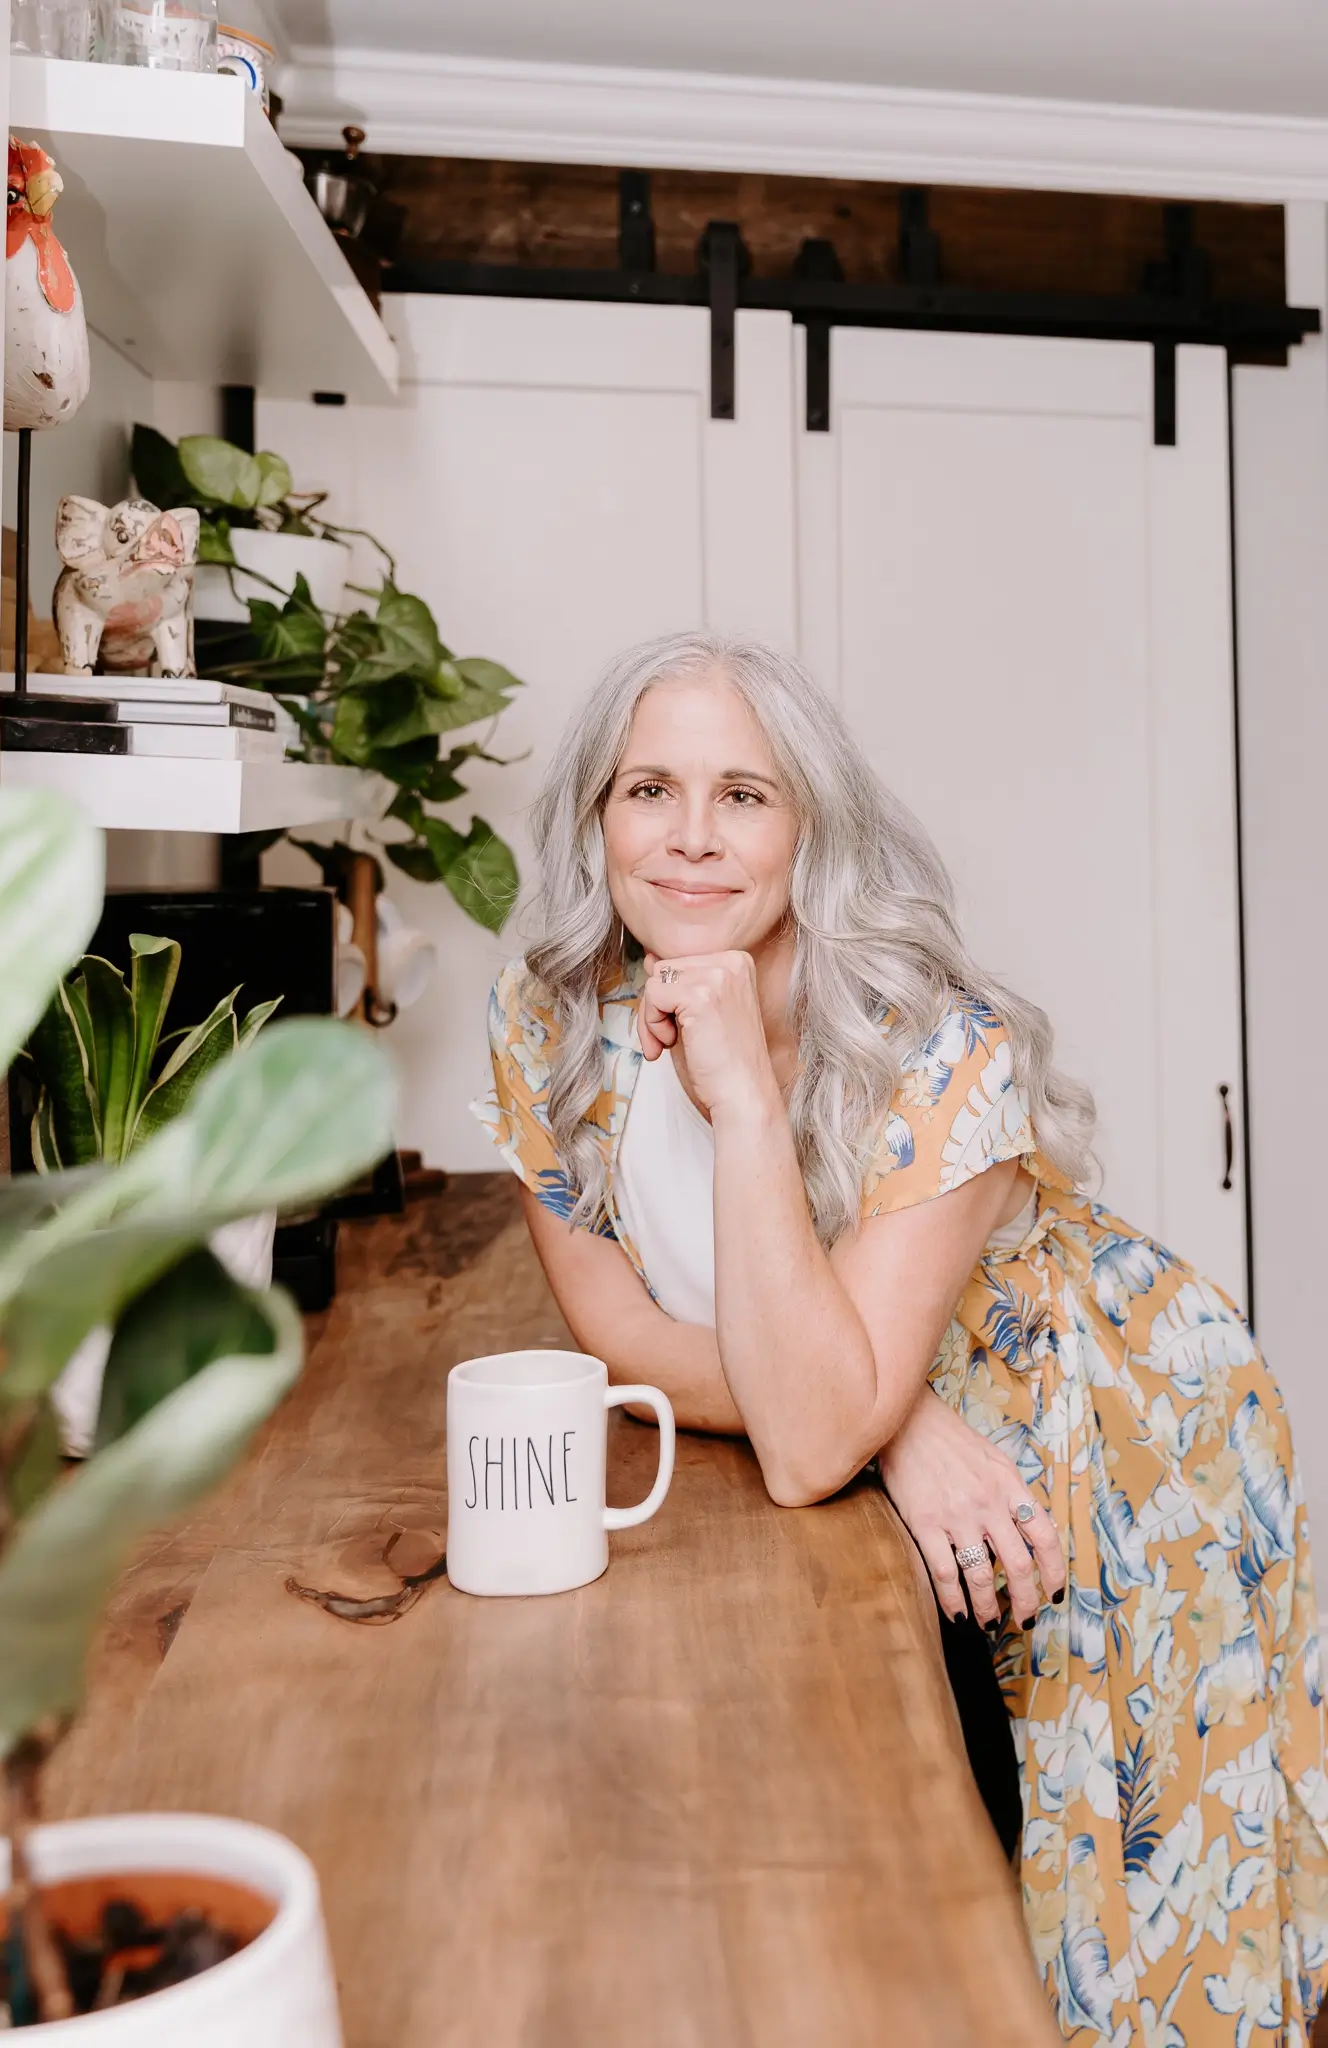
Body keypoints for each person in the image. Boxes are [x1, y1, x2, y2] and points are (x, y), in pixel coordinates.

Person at [473, 630, 1328, 2045]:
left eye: (745, 795)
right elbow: (613, 1326)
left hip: (1109, 1437)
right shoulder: (554, 1022)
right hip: (912, 1432)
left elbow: (809, 1439)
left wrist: (748, 1105)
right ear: (592, 817)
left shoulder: (938, 1041)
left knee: (1115, 1906)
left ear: (810, 826)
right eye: (649, 791)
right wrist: (897, 1422)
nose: (691, 839)